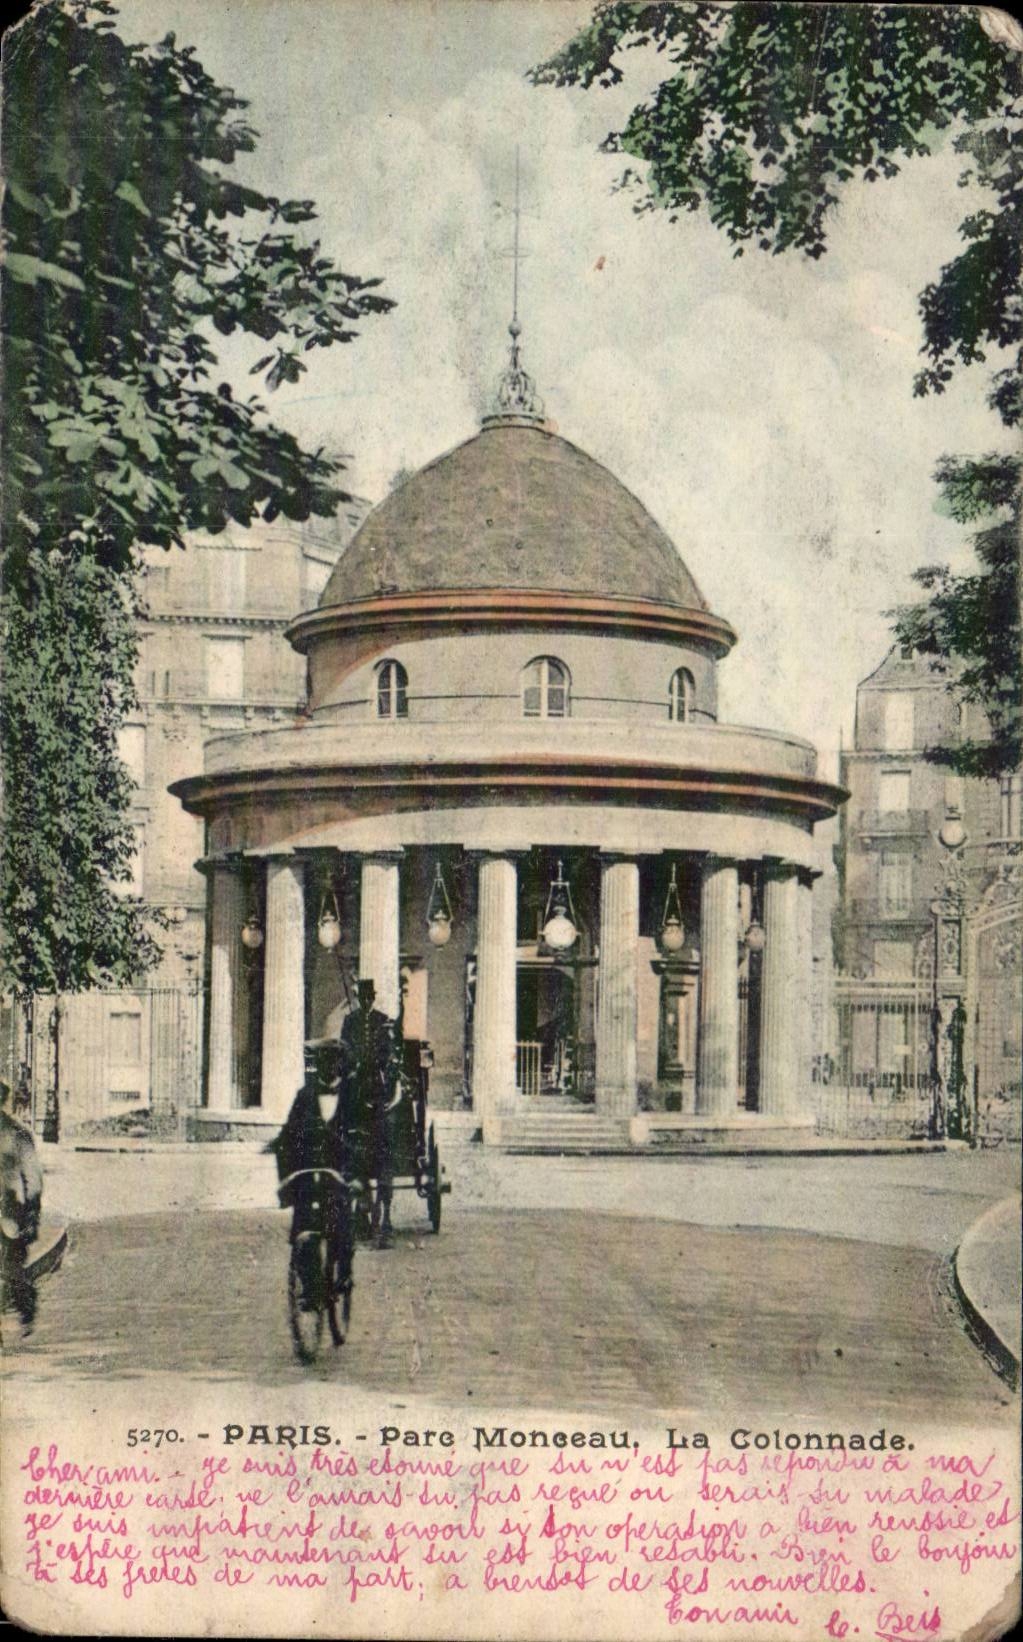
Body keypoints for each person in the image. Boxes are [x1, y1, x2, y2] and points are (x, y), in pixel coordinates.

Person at [265, 1040, 361, 1311]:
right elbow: (289, 1134)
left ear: (340, 1064)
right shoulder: (305, 1096)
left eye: (334, 1061)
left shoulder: (351, 1095)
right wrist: (283, 1170)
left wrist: (356, 1176)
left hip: (338, 1175)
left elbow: (362, 1138)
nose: (329, 1066)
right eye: (324, 1061)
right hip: (309, 1177)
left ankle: (343, 1274)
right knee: (302, 1231)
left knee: (341, 1224)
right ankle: (310, 1288)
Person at [340, 979, 403, 1247]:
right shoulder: (350, 1021)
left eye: (369, 998)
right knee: (344, 1099)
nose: (367, 1002)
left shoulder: (382, 1020)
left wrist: (380, 1061)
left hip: (376, 1079)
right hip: (356, 1077)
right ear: (359, 999)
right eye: (363, 998)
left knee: (389, 1105)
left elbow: (388, 1049)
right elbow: (345, 1046)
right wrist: (351, 1062)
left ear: (373, 999)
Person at [0, 1078, 44, 1334]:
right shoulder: (19, 1133)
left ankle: (26, 1303)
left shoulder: (18, 1134)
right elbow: (34, 1181)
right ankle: (25, 1304)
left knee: (13, 1269)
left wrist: (30, 1214)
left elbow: (32, 1178)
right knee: (12, 1268)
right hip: (12, 1214)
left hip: (9, 1214)